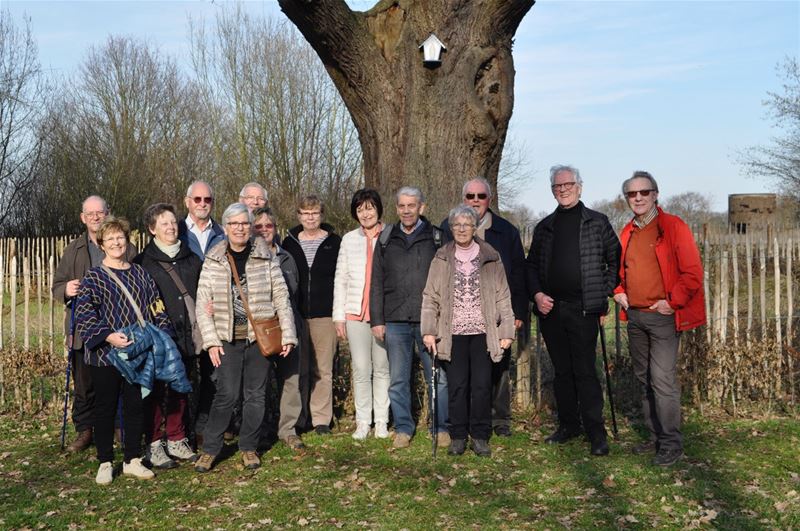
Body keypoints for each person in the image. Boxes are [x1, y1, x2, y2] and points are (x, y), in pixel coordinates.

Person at [194, 203, 297, 473]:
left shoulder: (265, 256)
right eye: (234, 224)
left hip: (258, 338)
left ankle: (248, 447)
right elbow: (202, 304)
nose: (239, 228)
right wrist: (212, 341)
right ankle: (210, 449)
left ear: (250, 226)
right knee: (225, 395)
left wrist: (288, 333)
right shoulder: (214, 258)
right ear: (226, 228)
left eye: (244, 223)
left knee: (255, 395)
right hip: (227, 338)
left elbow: (281, 297)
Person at [526, 165, 620, 456]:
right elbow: (531, 267)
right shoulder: (545, 227)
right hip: (552, 311)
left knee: (584, 371)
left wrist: (601, 290)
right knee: (562, 372)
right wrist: (538, 295)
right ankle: (568, 425)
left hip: (584, 310)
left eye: (568, 184)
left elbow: (614, 259)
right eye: (557, 186)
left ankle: (596, 432)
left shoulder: (597, 222)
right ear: (552, 190)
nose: (563, 189)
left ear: (580, 187)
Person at [613, 171, 705, 467]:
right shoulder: (627, 231)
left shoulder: (673, 226)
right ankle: (655, 438)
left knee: (662, 379)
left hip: (663, 317)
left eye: (644, 192)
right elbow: (618, 271)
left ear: (655, 194)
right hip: (636, 316)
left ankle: (671, 443)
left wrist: (673, 302)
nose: (638, 198)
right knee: (643, 379)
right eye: (631, 194)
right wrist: (618, 291)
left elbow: (692, 273)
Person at [74, 216, 171, 485]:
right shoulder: (93, 277)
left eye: (121, 237)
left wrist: (159, 336)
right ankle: (105, 461)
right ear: (102, 244)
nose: (117, 243)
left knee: (135, 406)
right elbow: (84, 314)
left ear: (127, 241)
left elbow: (156, 307)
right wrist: (107, 336)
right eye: (111, 239)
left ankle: (132, 459)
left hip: (138, 355)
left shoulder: (141, 273)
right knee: (104, 408)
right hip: (105, 356)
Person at [422, 205, 515, 457]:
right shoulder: (441, 257)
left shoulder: (490, 256)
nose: (462, 229)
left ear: (475, 227)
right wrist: (429, 331)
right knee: (457, 386)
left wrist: (506, 330)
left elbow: (503, 297)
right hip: (452, 334)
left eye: (467, 224)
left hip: (483, 332)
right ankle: (458, 436)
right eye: (457, 225)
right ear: (451, 229)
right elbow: (430, 296)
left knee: (482, 386)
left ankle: (481, 436)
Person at [440, 177, 527, 437]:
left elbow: (519, 272)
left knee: (498, 367)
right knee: (464, 373)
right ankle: (465, 419)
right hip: (461, 314)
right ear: (463, 199)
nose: (475, 201)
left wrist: (518, 312)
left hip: (498, 311)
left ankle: (499, 419)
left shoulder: (506, 230)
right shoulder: (448, 227)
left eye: (481, 196)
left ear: (489, 199)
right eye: (470, 196)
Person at [52, 195, 137, 453]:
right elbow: (56, 285)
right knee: (84, 384)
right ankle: (85, 429)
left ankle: (119, 427)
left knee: (121, 377)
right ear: (83, 218)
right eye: (90, 214)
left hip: (119, 325)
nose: (96, 217)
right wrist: (66, 289)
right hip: (83, 328)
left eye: (100, 212)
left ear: (107, 212)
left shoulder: (126, 247)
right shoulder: (74, 249)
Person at [370, 186, 449, 449]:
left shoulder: (437, 237)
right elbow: (376, 282)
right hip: (394, 320)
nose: (406, 210)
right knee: (398, 379)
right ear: (397, 209)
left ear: (421, 208)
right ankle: (404, 428)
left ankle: (440, 427)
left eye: (411, 205)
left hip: (429, 321)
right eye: (402, 206)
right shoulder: (386, 238)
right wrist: (377, 320)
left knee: (437, 376)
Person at [134, 203, 202, 468]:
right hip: (158, 339)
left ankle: (177, 437)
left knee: (180, 388)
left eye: (173, 222)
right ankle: (154, 443)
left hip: (185, 336)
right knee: (155, 391)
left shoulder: (191, 258)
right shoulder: (143, 263)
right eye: (164, 223)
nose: (171, 227)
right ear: (152, 229)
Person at [333, 189, 391, 440]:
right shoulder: (348, 240)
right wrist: (339, 316)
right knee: (360, 368)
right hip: (355, 313)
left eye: (369, 208)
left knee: (382, 367)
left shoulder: (391, 235)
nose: (365, 213)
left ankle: (381, 421)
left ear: (378, 209)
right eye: (360, 209)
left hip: (384, 315)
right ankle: (362, 421)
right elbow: (341, 278)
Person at [283, 195, 341, 435]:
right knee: (299, 368)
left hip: (325, 315)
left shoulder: (335, 242)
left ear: (321, 215)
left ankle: (320, 419)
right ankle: (299, 418)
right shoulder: (289, 243)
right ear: (298, 215)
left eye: (314, 213)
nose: (310, 217)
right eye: (305, 213)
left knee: (322, 369)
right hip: (296, 315)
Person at [252, 206, 307, 451]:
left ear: (276, 229)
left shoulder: (287, 258)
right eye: (259, 226)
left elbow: (294, 291)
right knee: (259, 382)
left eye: (269, 226)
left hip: (286, 325)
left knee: (290, 378)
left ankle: (288, 429)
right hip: (260, 328)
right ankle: (261, 430)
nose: (265, 230)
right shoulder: (249, 258)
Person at [178, 181, 226, 260]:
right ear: (187, 202)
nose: (202, 204)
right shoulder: (176, 234)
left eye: (207, 199)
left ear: (212, 203)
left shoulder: (223, 234)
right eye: (197, 199)